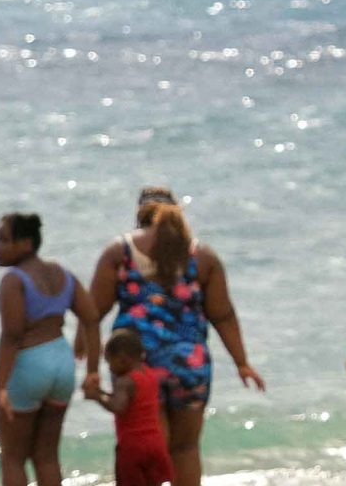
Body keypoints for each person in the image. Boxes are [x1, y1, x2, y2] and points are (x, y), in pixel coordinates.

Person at [89, 186, 266, 486]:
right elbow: (223, 315)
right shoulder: (202, 256)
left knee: (149, 447)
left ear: (139, 214)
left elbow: (93, 311)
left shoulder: (120, 252)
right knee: (185, 449)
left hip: (140, 367)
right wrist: (242, 362)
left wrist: (88, 359)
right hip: (191, 364)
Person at [0, 212, 102, 486]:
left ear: (26, 243)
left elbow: (12, 335)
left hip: (29, 364)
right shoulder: (63, 275)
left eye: (5, 240)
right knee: (47, 457)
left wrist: (0, 386)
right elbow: (91, 317)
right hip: (61, 364)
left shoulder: (13, 280)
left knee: (13, 458)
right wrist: (92, 371)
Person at [87, 328, 174, 486]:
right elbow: (132, 400)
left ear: (122, 359)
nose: (110, 368)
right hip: (156, 443)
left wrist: (96, 397)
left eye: (109, 362)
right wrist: (100, 391)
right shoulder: (149, 375)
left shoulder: (125, 381)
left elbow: (119, 406)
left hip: (133, 446)